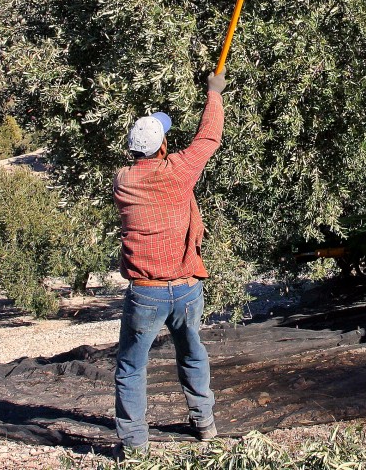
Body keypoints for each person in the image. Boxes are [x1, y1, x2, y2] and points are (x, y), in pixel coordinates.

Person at [112, 70, 226, 455]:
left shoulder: (123, 181)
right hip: (186, 286)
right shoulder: (178, 173)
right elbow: (208, 138)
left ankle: (134, 446)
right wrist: (214, 92)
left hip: (145, 293)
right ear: (161, 148)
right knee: (192, 352)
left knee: (131, 367)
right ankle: (204, 423)